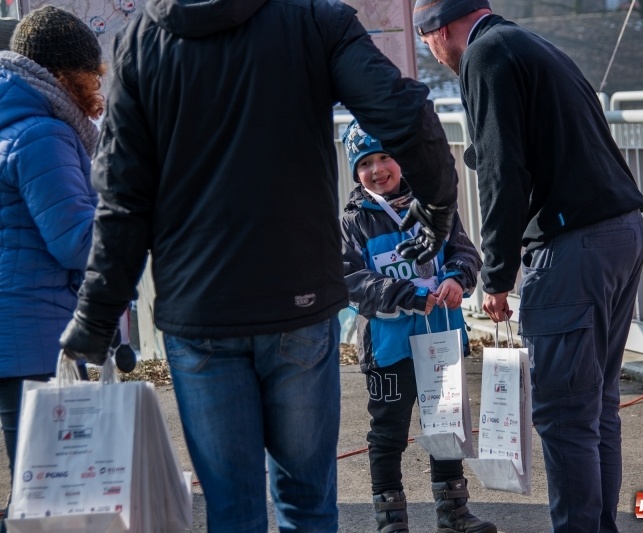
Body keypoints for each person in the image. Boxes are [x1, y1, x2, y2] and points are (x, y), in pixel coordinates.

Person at [57, 0, 460, 531]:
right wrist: (435, 208)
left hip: (198, 311)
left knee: (232, 509)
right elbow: (403, 111)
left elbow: (123, 196)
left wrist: (97, 315)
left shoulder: (142, 42)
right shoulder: (313, 20)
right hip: (298, 300)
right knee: (307, 503)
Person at [412, 1, 643, 532]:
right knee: (595, 406)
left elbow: (501, 171)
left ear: (442, 30)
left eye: (428, 44)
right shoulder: (533, 45)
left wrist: (496, 276)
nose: (435, 55)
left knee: (565, 414)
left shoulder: (485, 55)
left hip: (575, 246)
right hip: (621, 231)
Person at [340, 121, 494, 533]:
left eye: (385, 157)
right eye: (365, 162)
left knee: (446, 426)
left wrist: (456, 278)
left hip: (440, 338)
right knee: (388, 432)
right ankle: (391, 519)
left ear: (401, 159)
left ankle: (454, 513)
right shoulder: (353, 221)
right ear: (355, 171)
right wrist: (402, 292)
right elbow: (348, 280)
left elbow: (464, 251)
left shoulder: (434, 206)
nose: (378, 169)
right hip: (388, 349)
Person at [0, 4, 105, 528]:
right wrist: (135, 217)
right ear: (67, 73)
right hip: (35, 332)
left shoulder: (9, 121)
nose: (97, 88)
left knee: (31, 491)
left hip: (16, 330)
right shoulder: (42, 132)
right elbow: (76, 241)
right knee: (46, 498)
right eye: (94, 72)